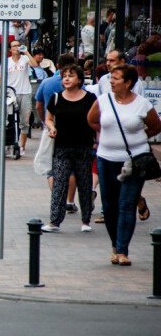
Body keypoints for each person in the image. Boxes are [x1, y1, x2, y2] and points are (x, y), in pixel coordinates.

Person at [87, 64, 161, 266]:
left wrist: (137, 137)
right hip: (106, 159)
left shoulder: (142, 104)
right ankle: (114, 245)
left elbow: (155, 126)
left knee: (127, 204)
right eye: (111, 78)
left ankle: (122, 250)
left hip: (134, 160)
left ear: (128, 83)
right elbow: (92, 120)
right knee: (110, 205)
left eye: (116, 78)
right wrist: (109, 135)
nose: (111, 81)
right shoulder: (103, 101)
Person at [41, 64, 97, 233]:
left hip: (84, 147)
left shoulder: (90, 98)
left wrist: (97, 140)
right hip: (62, 147)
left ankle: (86, 220)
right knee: (59, 184)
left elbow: (97, 120)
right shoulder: (57, 97)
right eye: (64, 76)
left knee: (85, 184)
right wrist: (51, 127)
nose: (66, 79)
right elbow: (49, 117)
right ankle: (54, 221)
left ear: (79, 79)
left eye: (71, 76)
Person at [35, 53, 80, 212]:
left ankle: (57, 200)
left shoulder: (47, 82)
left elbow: (39, 105)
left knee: (52, 166)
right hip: (73, 128)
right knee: (72, 166)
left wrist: (44, 121)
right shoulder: (78, 83)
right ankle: (69, 201)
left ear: (58, 65)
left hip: (51, 127)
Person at [0, 40, 40, 155]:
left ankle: (22, 146)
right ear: (10, 49)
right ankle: (9, 144)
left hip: (24, 92)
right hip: (10, 93)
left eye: (18, 46)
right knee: (9, 120)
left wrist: (27, 52)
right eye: (14, 46)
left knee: (24, 121)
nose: (16, 48)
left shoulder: (24, 59)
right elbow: (1, 76)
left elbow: (35, 64)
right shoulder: (6, 61)